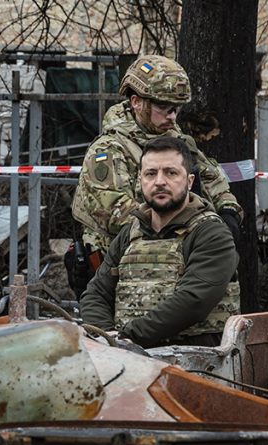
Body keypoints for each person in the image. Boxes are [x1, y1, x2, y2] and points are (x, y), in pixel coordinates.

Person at [71, 55, 242, 269]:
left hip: (176, 257)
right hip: (123, 263)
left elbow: (211, 178)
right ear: (137, 102)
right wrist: (185, 224)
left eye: (176, 109)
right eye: (164, 108)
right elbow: (114, 213)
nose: (172, 117)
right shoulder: (109, 150)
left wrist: (228, 210)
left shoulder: (177, 140)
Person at [79, 136, 239, 348]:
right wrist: (106, 337)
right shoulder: (130, 233)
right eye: (151, 174)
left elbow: (194, 301)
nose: (160, 181)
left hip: (194, 362)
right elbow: (96, 294)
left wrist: (127, 338)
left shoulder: (211, 233)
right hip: (129, 358)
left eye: (171, 173)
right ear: (140, 181)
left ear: (190, 181)